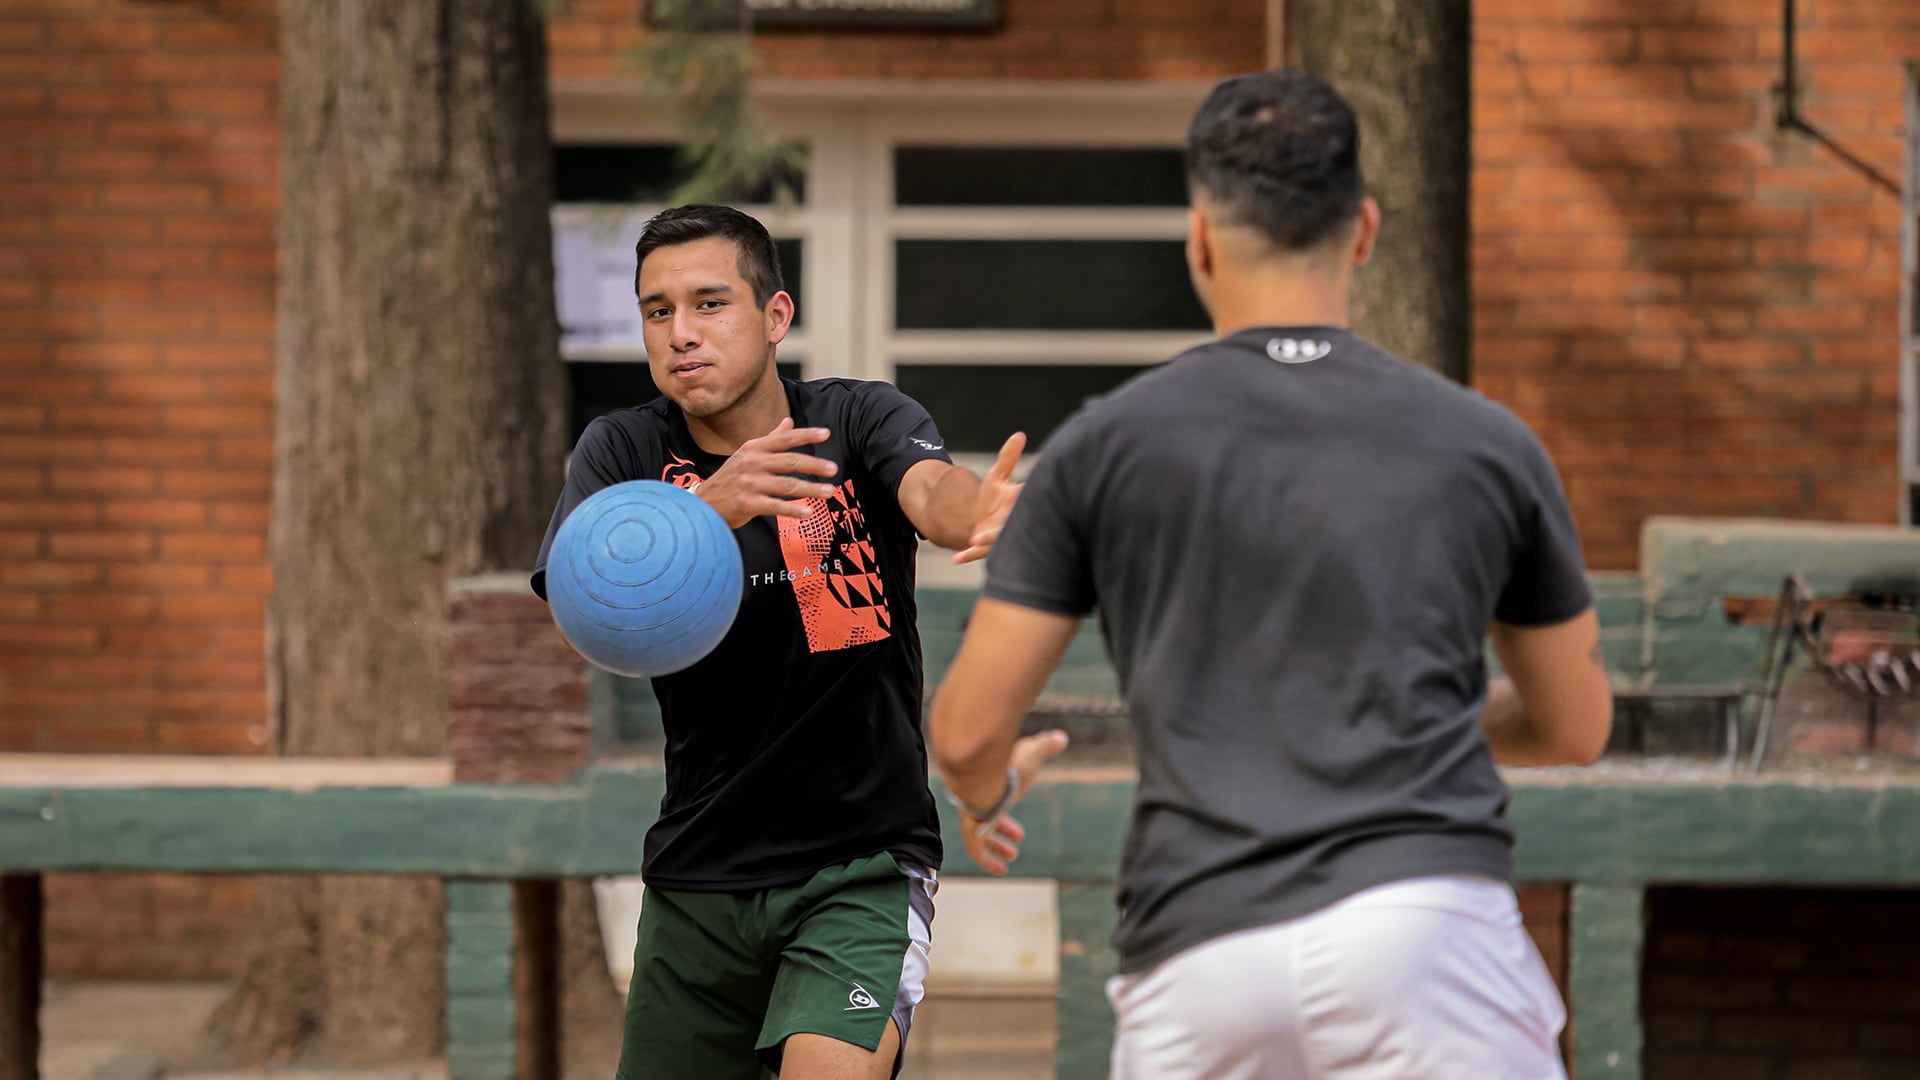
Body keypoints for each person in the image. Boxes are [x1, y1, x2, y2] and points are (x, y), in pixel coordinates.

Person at [927, 68, 1614, 1080]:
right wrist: (1411, 721)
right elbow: (1575, 725)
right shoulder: (1487, 446)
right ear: (1366, 230)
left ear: (1200, 239)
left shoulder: (1102, 448)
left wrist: (989, 794)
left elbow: (966, 732)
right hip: (1429, 935)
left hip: (1201, 951)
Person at [531, 203, 1025, 1080]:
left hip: (860, 868)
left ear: (775, 316)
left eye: (710, 304)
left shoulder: (857, 419)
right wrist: (707, 509)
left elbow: (930, 491)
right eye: (658, 311)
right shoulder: (624, 449)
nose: (681, 333)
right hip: (696, 876)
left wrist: (973, 512)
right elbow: (577, 588)